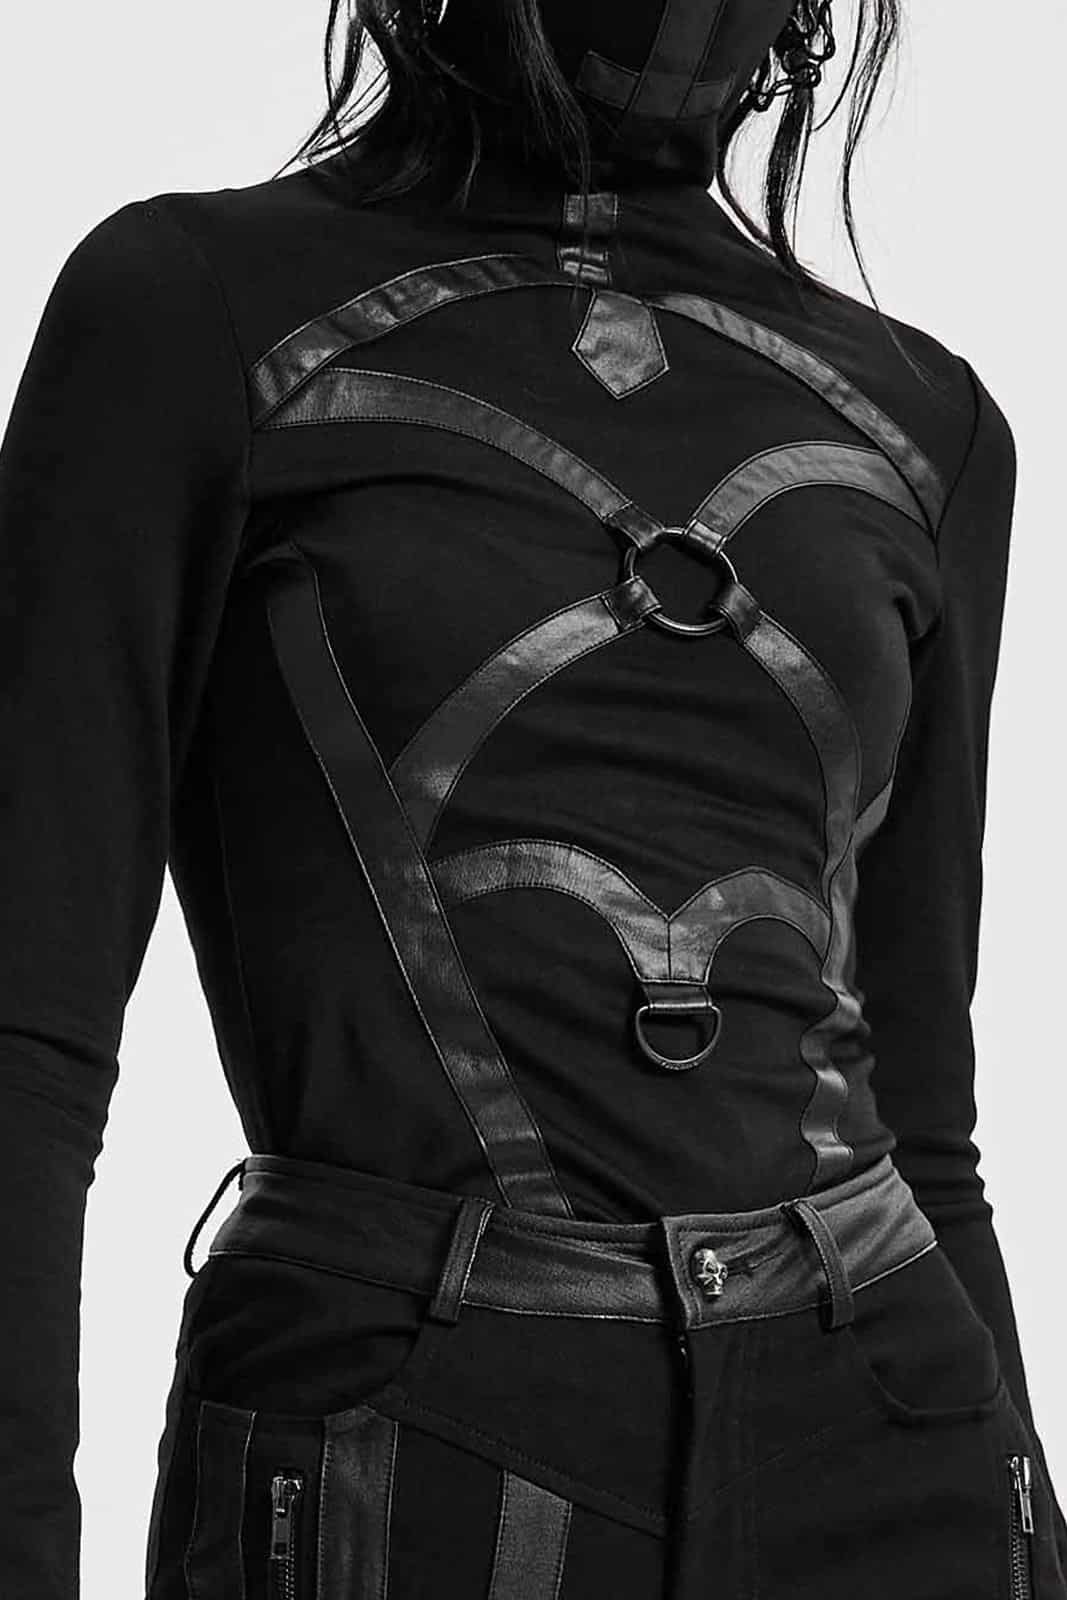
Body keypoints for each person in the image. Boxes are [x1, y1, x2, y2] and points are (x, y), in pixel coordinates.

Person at [1, 1, 1063, 1595]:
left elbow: (923, 1110)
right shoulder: (197, 312)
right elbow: (26, 1037)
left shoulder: (928, 425)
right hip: (404, 1453)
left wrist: (1030, 1525)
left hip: (892, 1438)